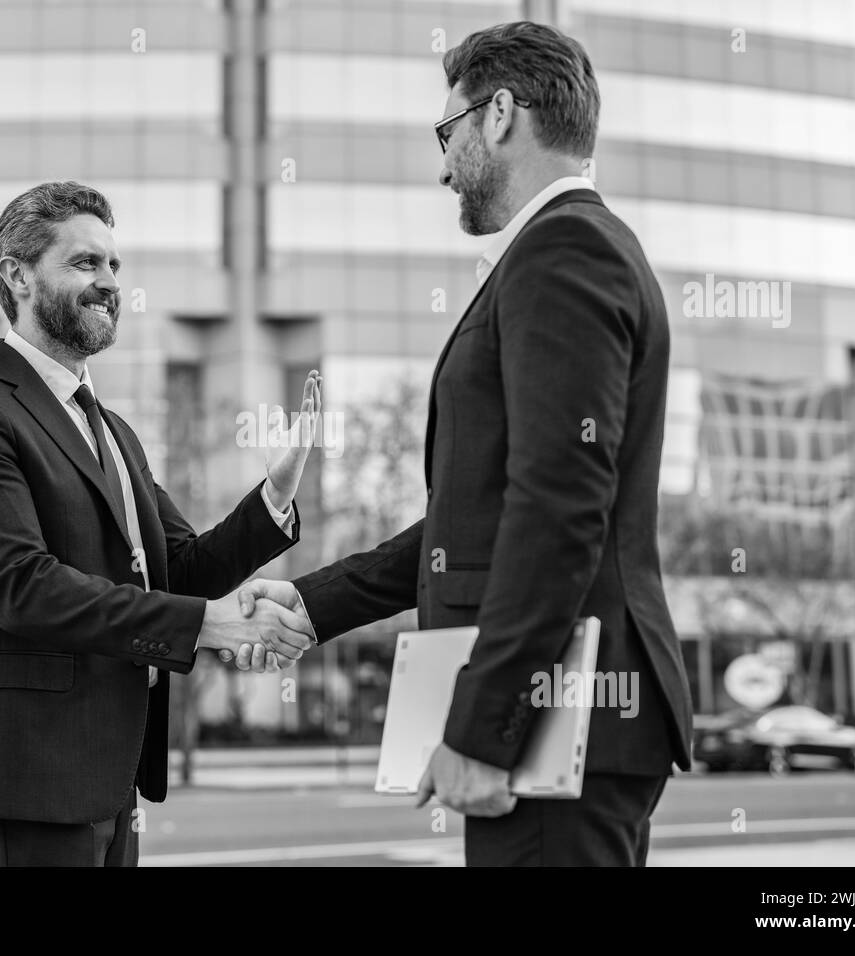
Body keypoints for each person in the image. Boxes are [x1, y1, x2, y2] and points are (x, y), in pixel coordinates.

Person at [237, 21, 694, 866]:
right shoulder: (566, 253)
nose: (442, 166)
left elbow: (558, 510)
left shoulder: (564, 253)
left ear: (500, 114)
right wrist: (318, 600)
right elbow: (479, 521)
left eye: (447, 134)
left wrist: (485, 729)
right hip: (561, 726)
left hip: (561, 731)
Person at [0, 181, 320, 866]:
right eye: (85, 264)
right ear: (17, 275)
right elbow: (23, 586)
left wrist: (273, 495)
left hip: (113, 777)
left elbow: (178, 569)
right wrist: (208, 625)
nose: (108, 283)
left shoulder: (115, 432)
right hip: (27, 778)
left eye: (114, 266)